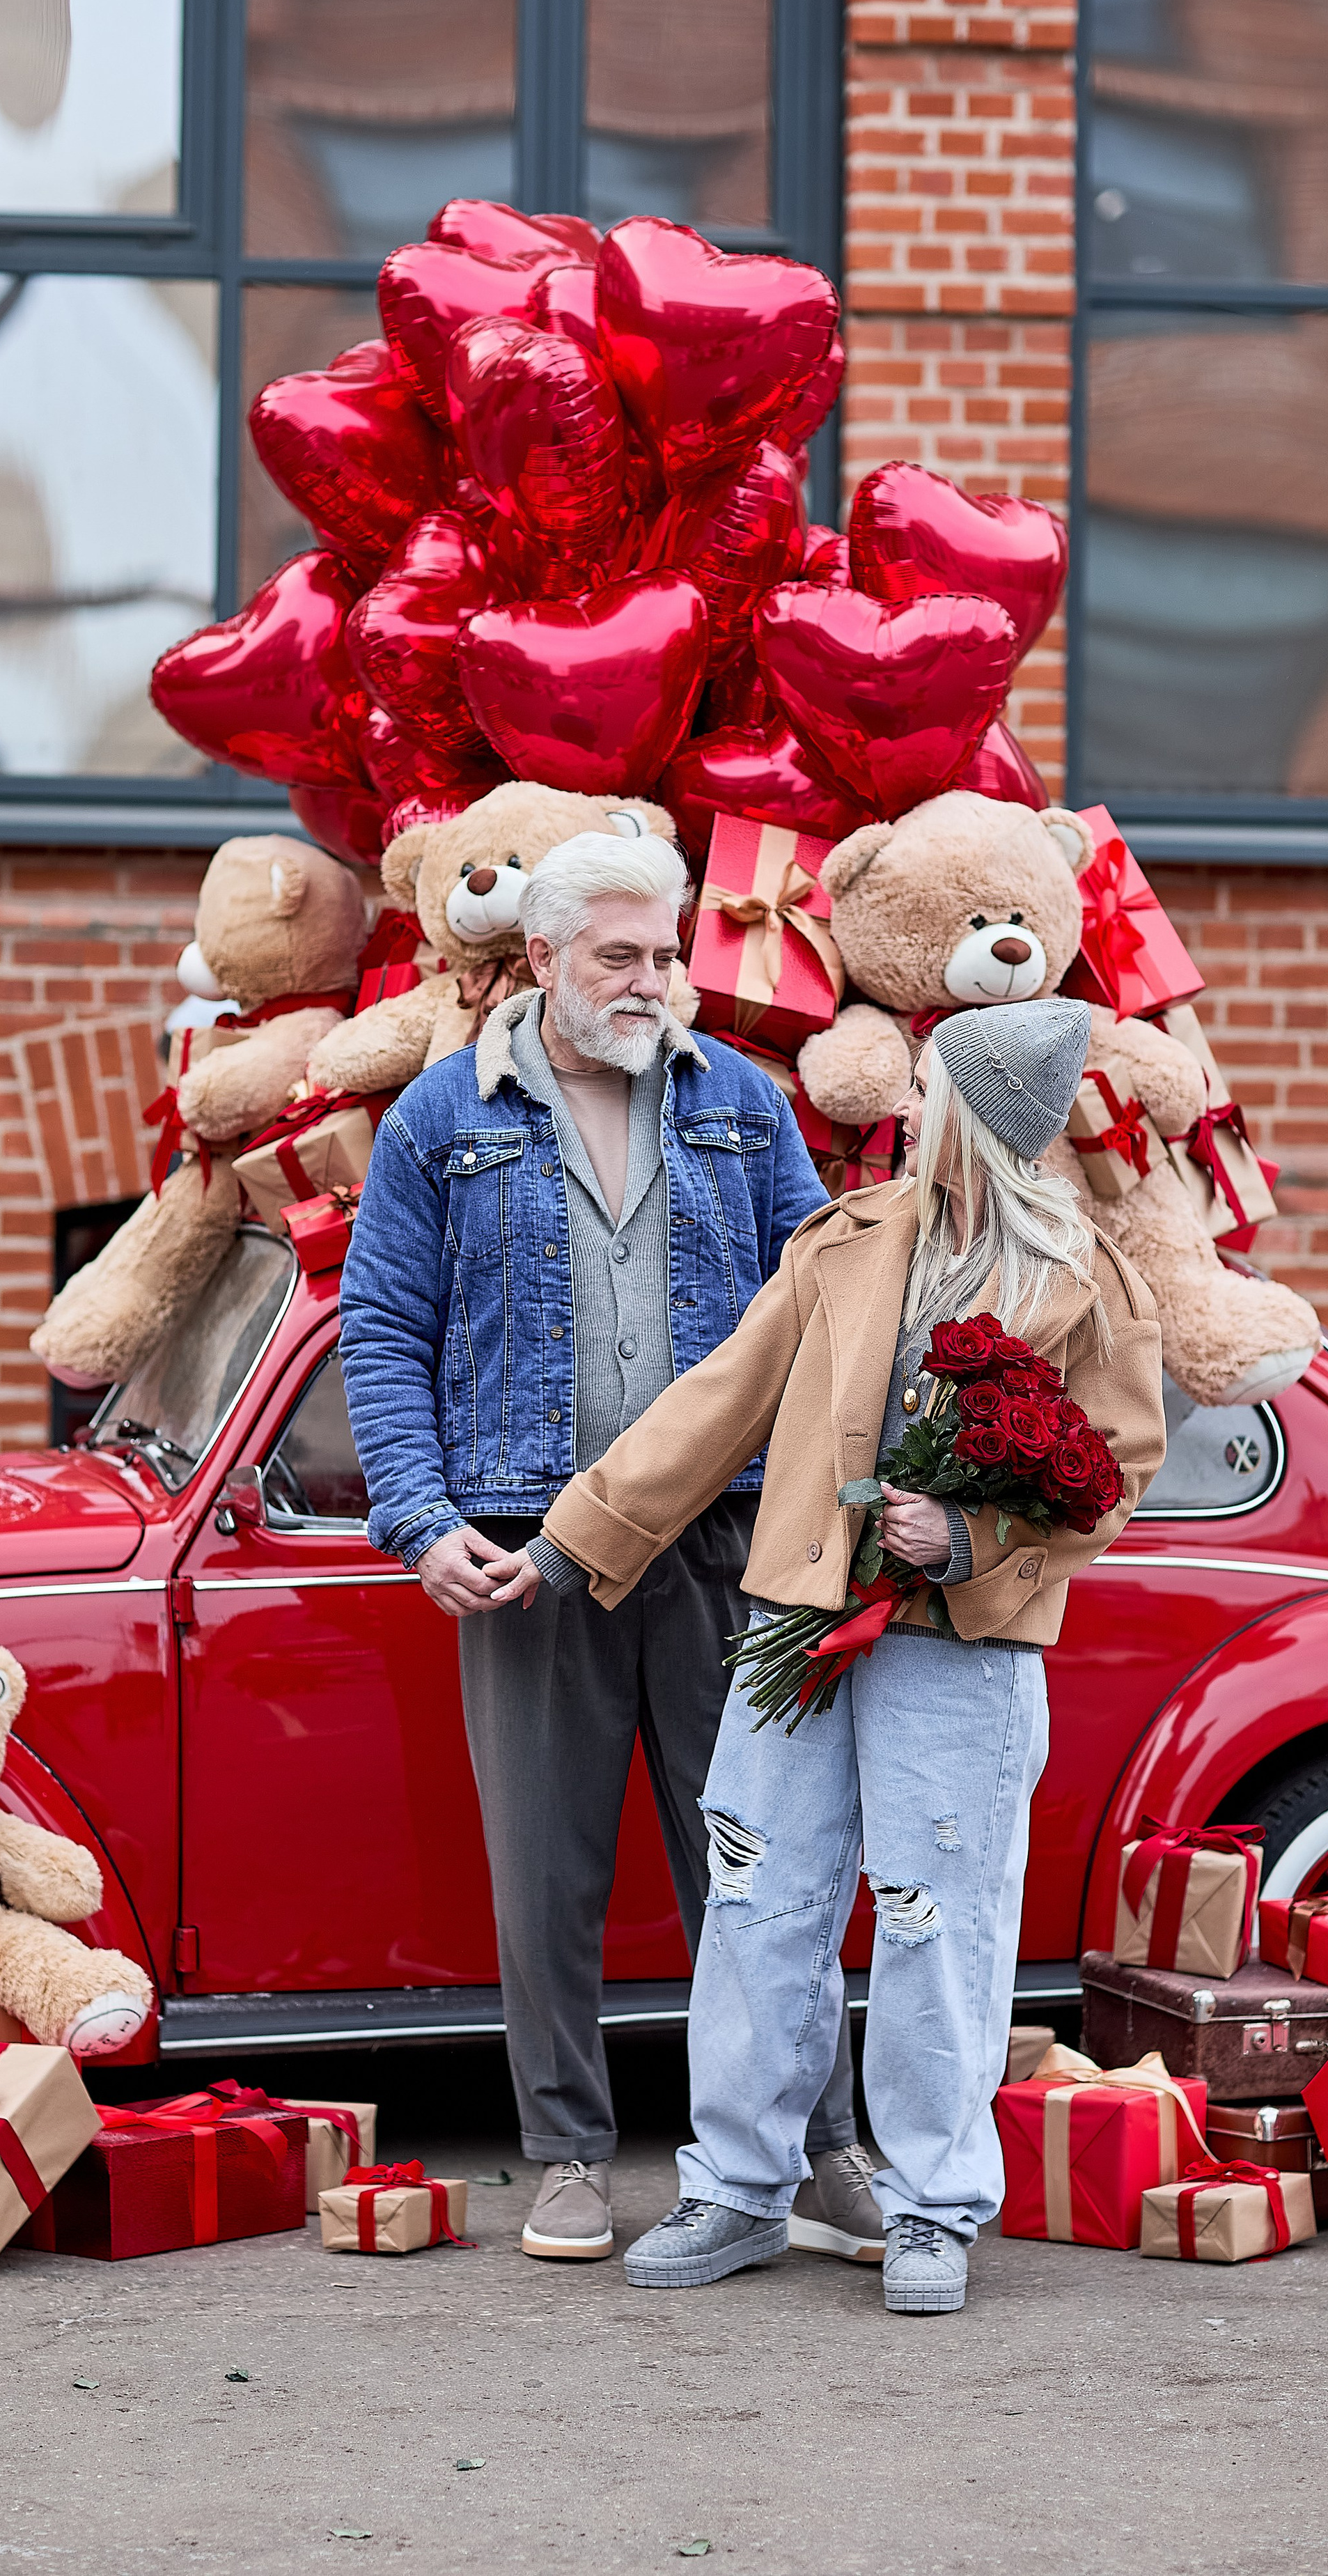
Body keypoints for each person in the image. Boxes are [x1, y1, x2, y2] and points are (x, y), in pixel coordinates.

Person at [484, 997, 1167, 2313]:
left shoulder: (1093, 1279)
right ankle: (739, 2189)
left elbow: (1116, 1474)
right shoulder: (843, 1243)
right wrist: (577, 1539)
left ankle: (933, 2212)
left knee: (935, 1924)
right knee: (753, 1903)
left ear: (979, 1117)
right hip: (796, 1623)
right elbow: (716, 1402)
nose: (909, 1108)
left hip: (954, 1652)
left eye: (933, 1090)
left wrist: (969, 1537)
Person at [338, 830, 864, 2264]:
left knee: (762, 1870)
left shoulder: (747, 1109)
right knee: (546, 1875)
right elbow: (380, 1333)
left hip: (726, 1550)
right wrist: (423, 1521)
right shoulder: (441, 1120)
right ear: (539, 962)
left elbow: (828, 1321)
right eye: (617, 956)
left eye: (664, 953)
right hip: (517, 1549)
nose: (648, 982)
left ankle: (812, 2151)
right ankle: (566, 2155)